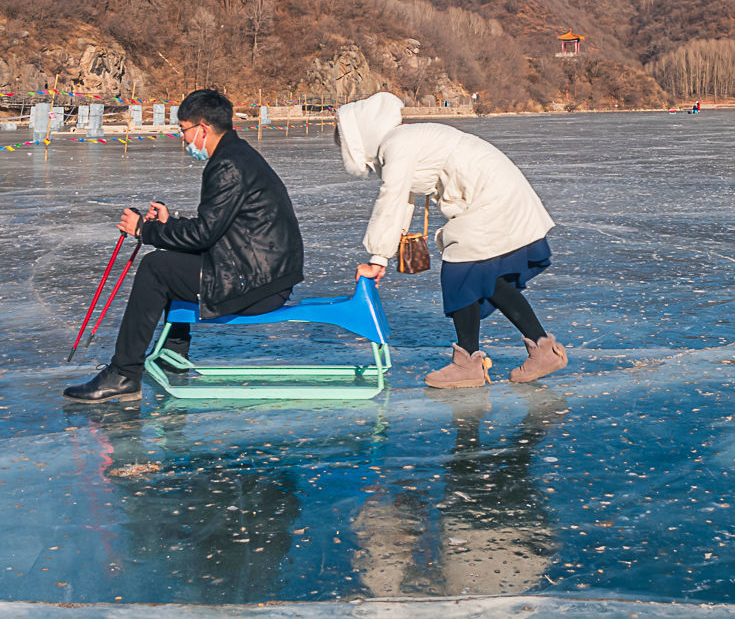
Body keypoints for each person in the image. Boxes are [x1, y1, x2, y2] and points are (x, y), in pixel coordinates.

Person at [64, 88, 302, 403]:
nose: (184, 139)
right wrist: (166, 226)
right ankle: (171, 351)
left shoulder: (227, 164)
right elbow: (215, 226)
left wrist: (145, 231)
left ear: (202, 129)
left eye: (184, 131)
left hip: (258, 282)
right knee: (171, 260)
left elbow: (205, 234)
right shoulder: (236, 154)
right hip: (264, 272)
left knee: (155, 268)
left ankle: (124, 372)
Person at [336, 91, 566, 389]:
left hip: (491, 197)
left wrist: (377, 257)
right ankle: (541, 350)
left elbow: (391, 197)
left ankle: (468, 364)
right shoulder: (402, 141)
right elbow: (404, 198)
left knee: (462, 272)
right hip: (495, 193)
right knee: (484, 278)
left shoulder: (398, 144)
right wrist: (381, 258)